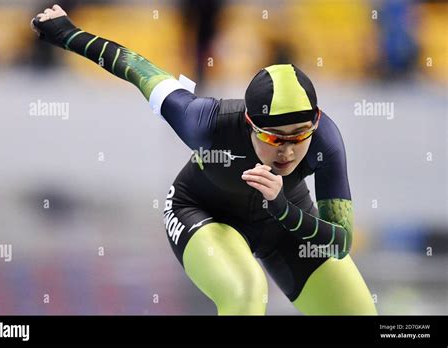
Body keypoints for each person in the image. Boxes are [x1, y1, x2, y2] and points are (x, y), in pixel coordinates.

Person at [31, 5, 377, 315]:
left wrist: (283, 207)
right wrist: (67, 33)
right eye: (274, 138)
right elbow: (135, 67)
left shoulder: (326, 140)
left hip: (284, 220)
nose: (287, 151)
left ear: (315, 123)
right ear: (249, 125)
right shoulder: (205, 121)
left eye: (300, 135)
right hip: (202, 212)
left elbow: (340, 242)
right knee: (246, 294)